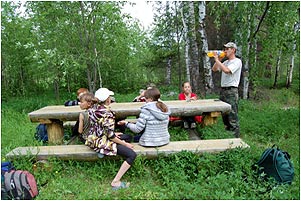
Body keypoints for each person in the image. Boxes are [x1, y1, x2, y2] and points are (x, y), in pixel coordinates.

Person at [84, 88, 136, 190]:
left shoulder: (92, 109)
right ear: (108, 100)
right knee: (131, 154)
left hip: (93, 139)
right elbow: (110, 136)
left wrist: (114, 134)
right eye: (110, 97)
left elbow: (97, 127)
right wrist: (125, 144)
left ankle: (101, 152)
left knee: (127, 136)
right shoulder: (107, 113)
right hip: (102, 141)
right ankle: (115, 182)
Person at [211, 42, 242, 138]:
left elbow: (227, 71)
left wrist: (218, 60)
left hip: (231, 91)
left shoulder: (237, 61)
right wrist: (218, 59)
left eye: (227, 49)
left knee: (232, 115)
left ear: (233, 50)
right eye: (224, 49)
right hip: (223, 90)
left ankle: (235, 139)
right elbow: (214, 69)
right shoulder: (225, 62)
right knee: (224, 115)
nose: (225, 51)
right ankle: (228, 136)